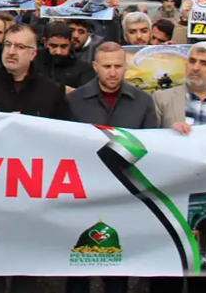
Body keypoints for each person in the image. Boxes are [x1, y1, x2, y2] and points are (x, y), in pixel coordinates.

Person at [148, 41, 206, 293]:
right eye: (192, 61)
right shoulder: (162, 99)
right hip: (173, 198)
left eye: (204, 63)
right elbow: (147, 144)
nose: (196, 68)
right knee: (168, 275)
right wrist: (166, 134)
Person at [66, 41, 154, 293]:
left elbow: (152, 147)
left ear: (125, 67)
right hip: (84, 192)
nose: (113, 72)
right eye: (106, 66)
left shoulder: (143, 102)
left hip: (125, 194)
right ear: (95, 66)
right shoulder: (74, 100)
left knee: (118, 270)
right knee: (77, 265)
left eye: (118, 66)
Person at [0, 23, 70, 119]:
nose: (11, 52)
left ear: (33, 54)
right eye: (7, 45)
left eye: (20, 47)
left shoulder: (52, 91)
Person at [36, 22, 96, 89]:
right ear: (45, 42)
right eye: (53, 46)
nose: (58, 52)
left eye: (63, 46)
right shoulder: (33, 62)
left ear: (70, 43)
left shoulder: (84, 68)